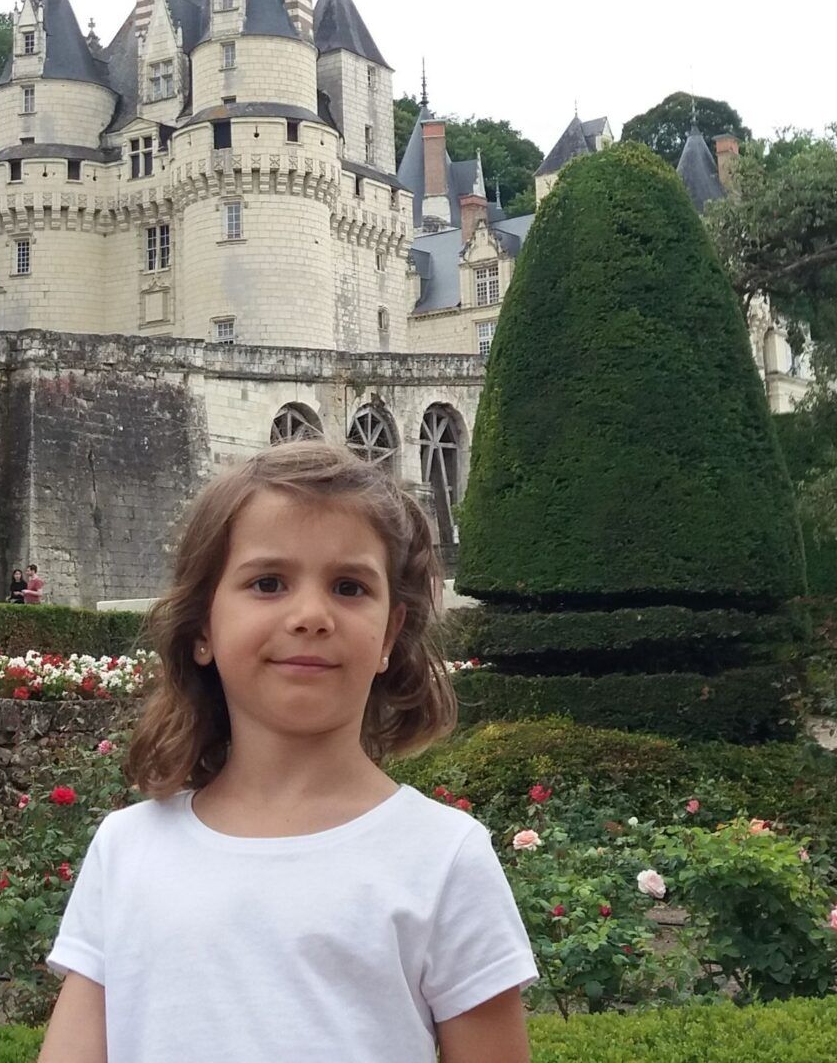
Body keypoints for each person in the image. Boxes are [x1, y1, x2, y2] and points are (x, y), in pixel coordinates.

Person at [37, 441, 535, 1063]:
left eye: (349, 587)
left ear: (390, 634)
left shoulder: (444, 857)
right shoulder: (127, 849)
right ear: (201, 631)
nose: (310, 615)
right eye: (268, 583)